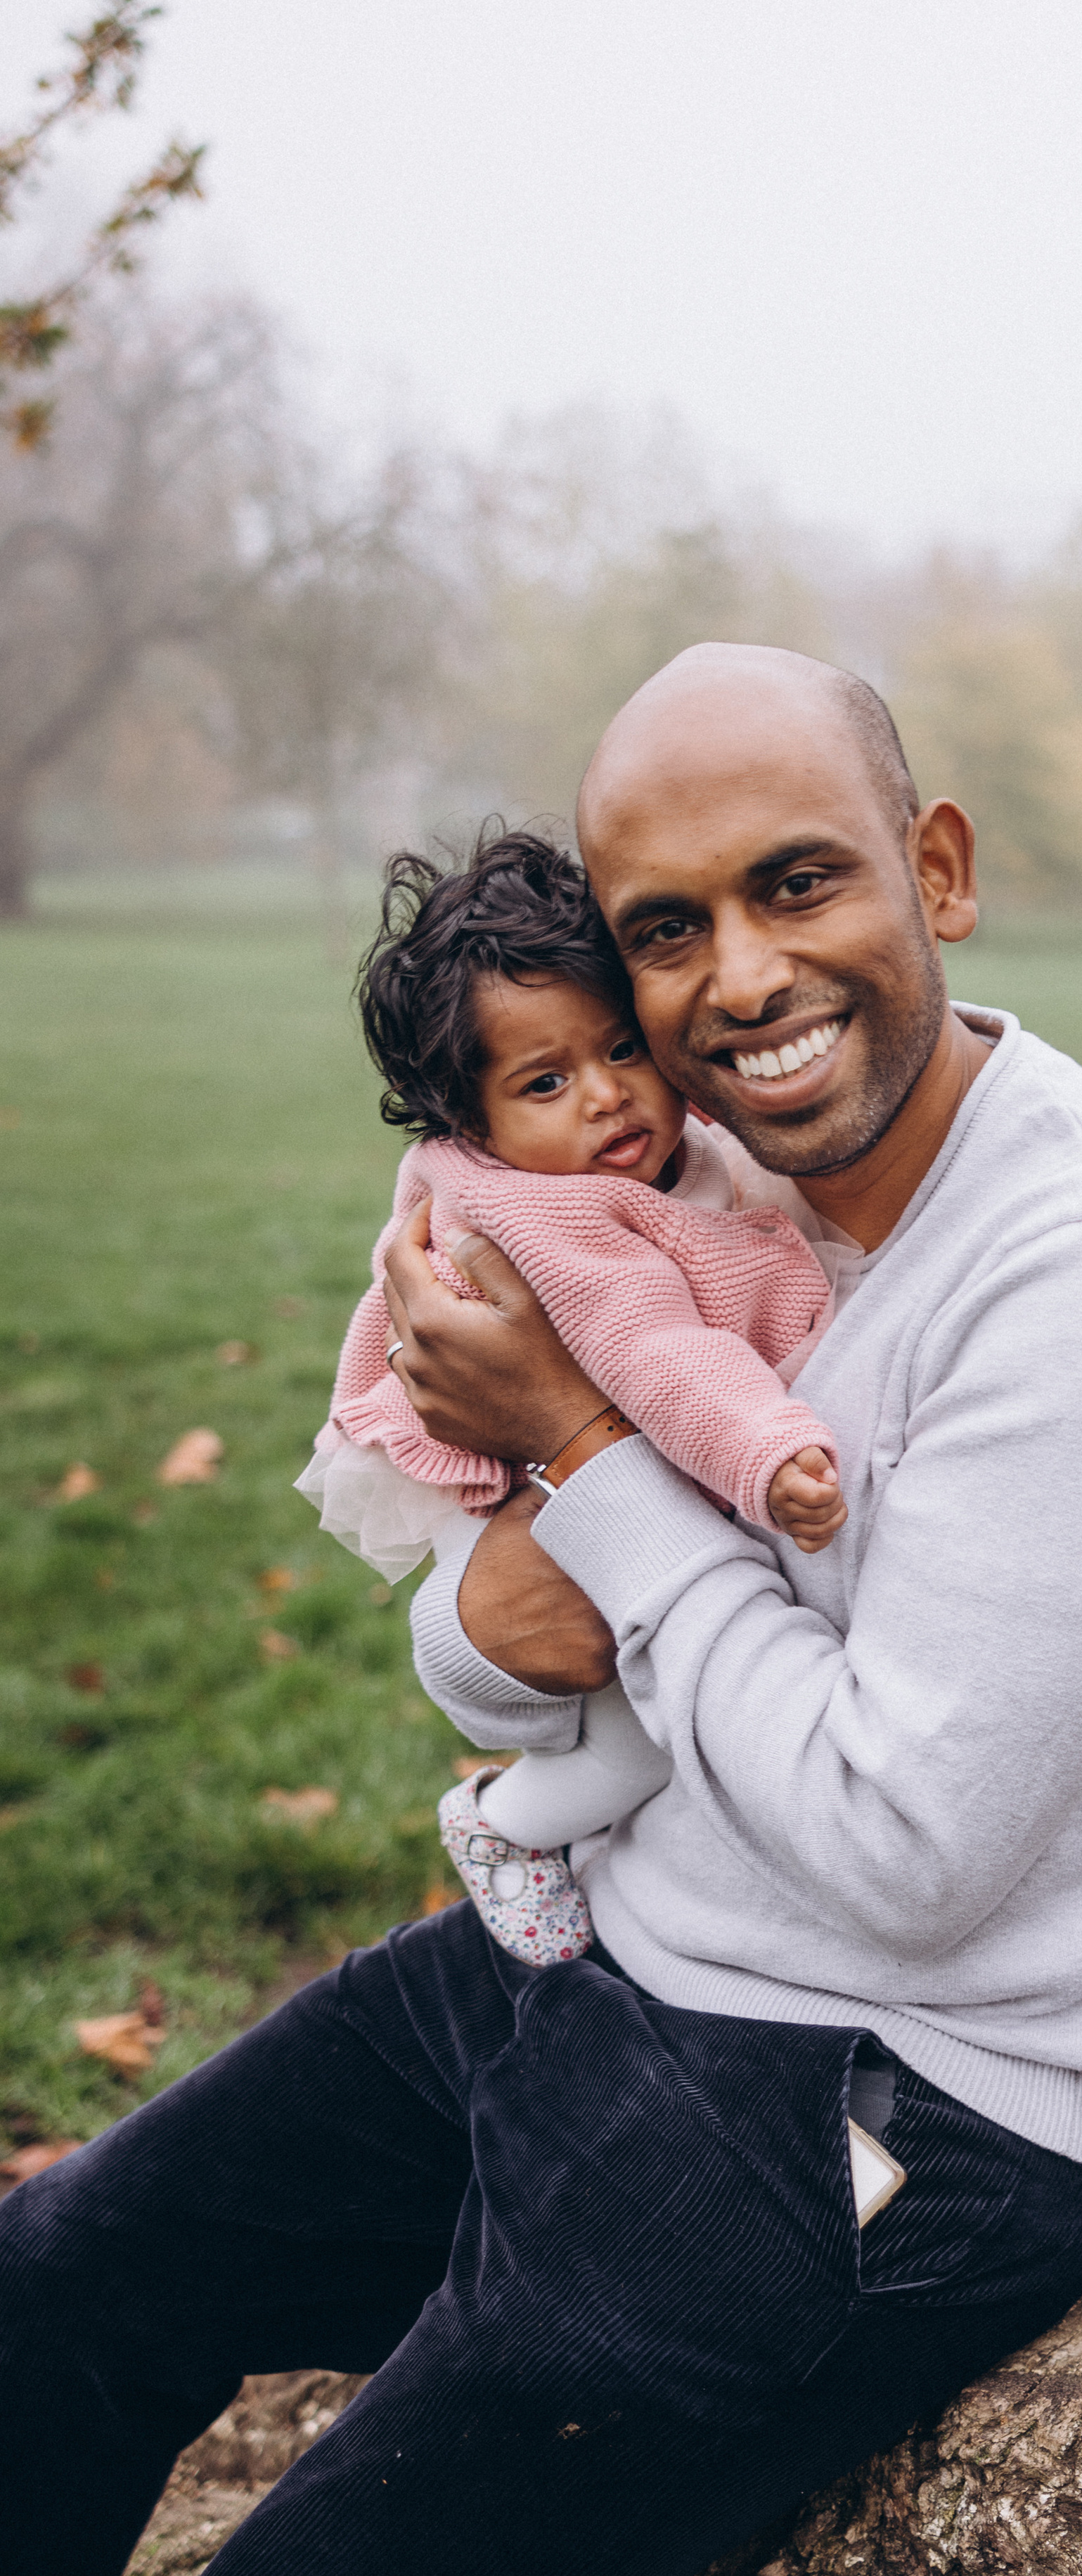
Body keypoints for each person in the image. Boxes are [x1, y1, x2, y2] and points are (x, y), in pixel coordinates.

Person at [0, 644, 1082, 2576]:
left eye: (802, 883)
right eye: (667, 930)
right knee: (59, 2277)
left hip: (898, 2108)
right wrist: (476, 1606)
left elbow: (906, 1843)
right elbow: (513, 1645)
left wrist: (601, 1460)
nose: (743, 979)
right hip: (611, 1953)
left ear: (938, 869)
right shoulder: (685, 1184)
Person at [300, 827, 845, 1963]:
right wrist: (765, 1447)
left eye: (618, 1048)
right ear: (470, 1121)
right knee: (643, 1741)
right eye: (545, 1082)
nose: (605, 1097)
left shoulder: (616, 1160)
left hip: (567, 1476)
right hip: (523, 1493)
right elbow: (653, 1351)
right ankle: (503, 1827)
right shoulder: (557, 1223)